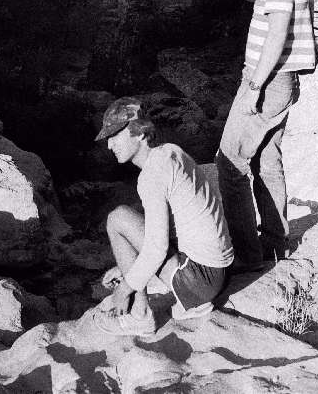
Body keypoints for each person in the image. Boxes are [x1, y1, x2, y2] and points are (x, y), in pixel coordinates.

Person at [216, 0, 316, 271]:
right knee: (266, 160)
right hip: (284, 80)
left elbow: (274, 37)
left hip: (267, 80)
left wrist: (253, 88)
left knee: (230, 162)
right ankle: (275, 244)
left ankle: (247, 254)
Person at [93, 98, 234, 336]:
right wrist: (126, 267)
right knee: (134, 224)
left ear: (139, 133)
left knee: (117, 219)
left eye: (115, 135)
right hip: (220, 271)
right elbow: (168, 227)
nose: (109, 145)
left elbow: (157, 248)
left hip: (200, 281)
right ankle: (177, 295)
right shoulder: (171, 151)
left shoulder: (151, 176)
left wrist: (122, 291)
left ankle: (140, 317)